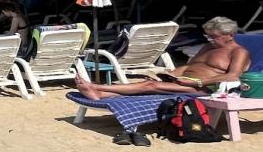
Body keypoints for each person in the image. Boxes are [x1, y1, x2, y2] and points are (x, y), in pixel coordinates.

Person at [74, 16, 250, 98]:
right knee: (149, 84)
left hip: (204, 88)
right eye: (208, 36)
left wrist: (196, 83)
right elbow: (194, 65)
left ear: (230, 35)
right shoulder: (208, 46)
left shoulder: (238, 52)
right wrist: (171, 74)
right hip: (181, 80)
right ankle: (99, 95)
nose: (210, 39)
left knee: (150, 85)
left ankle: (95, 86)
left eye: (214, 36)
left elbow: (233, 76)